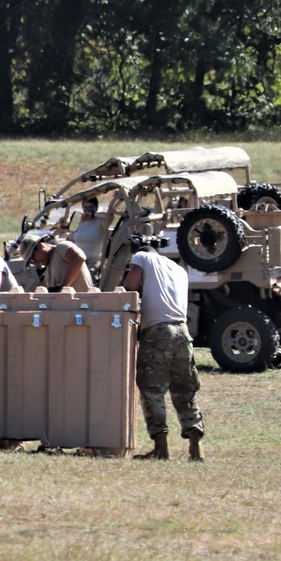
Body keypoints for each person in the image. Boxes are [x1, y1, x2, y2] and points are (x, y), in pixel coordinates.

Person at [122, 245, 205, 461]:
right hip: (183, 332)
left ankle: (161, 448)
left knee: (152, 389)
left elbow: (130, 286)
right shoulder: (179, 269)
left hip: (158, 332)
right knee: (184, 390)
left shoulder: (142, 257)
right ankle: (196, 448)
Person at [16, 232, 93, 292]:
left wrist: (63, 287)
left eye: (33, 258)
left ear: (40, 246)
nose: (35, 263)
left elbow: (79, 258)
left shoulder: (61, 248)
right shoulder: (48, 272)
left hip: (84, 306)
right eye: (31, 262)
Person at [70, 196, 107, 279]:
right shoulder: (76, 220)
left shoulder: (100, 222)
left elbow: (110, 216)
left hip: (92, 262)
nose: (87, 210)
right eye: (85, 207)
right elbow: (70, 240)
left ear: (96, 208)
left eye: (91, 207)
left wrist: (93, 214)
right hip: (76, 261)